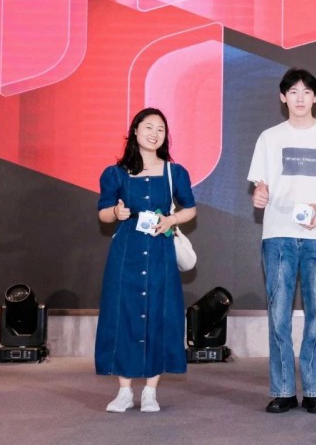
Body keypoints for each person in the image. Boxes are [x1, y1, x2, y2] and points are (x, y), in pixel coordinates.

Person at [248, 68, 316, 414]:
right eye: (293, 92)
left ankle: (313, 390)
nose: (300, 98)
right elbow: (260, 184)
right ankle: (282, 390)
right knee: (278, 314)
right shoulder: (269, 137)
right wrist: (260, 193)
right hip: (278, 235)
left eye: (306, 92)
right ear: (283, 97)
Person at [95, 107, 197, 413]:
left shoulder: (174, 172)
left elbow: (190, 209)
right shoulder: (115, 173)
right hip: (126, 252)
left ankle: (151, 391)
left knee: (159, 315)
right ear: (135, 131)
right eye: (149, 127)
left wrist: (171, 220)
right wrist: (116, 212)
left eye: (161, 129)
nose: (155, 134)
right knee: (123, 314)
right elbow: (103, 212)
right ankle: (124, 391)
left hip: (160, 252)